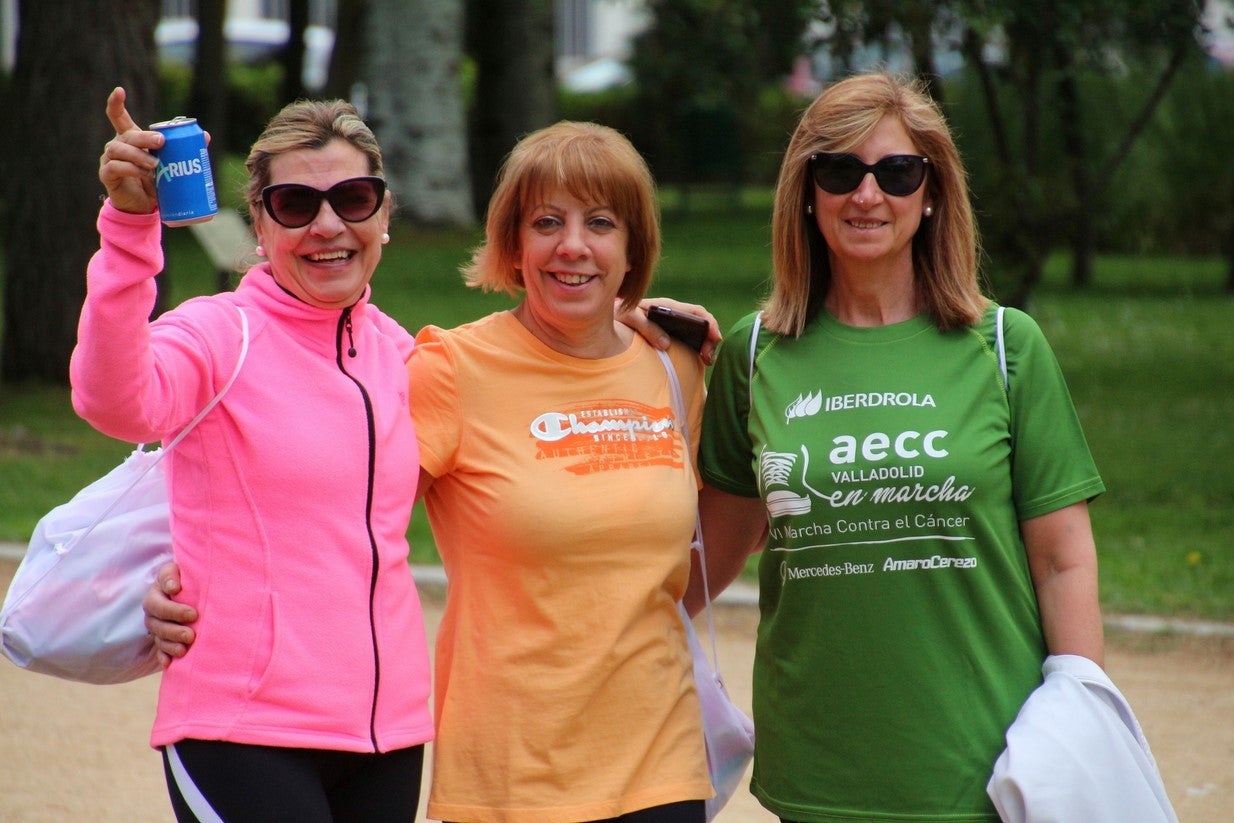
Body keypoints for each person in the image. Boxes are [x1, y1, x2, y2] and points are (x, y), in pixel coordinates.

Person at [147, 120, 718, 823]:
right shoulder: (447, 370)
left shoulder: (676, 363)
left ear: (634, 245)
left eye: (601, 222)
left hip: (660, 760)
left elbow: (713, 534)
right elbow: (314, 496)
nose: (573, 245)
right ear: (513, 243)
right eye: (547, 222)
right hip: (509, 771)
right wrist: (181, 576)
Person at [691, 71, 1107, 822]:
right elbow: (705, 561)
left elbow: (1063, 557)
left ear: (933, 191)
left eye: (897, 171)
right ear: (807, 192)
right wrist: (622, 354)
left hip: (987, 762)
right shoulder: (754, 355)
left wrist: (1080, 726)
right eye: (840, 171)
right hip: (821, 767)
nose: (867, 195)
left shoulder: (1008, 347)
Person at [76, 87, 435, 822]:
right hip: (240, 729)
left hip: (388, 733)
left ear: (385, 214)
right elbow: (112, 399)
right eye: (297, 204)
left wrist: (642, 333)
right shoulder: (218, 333)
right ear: (262, 224)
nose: (329, 225)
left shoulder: (403, 354)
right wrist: (131, 226)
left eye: (354, 198)